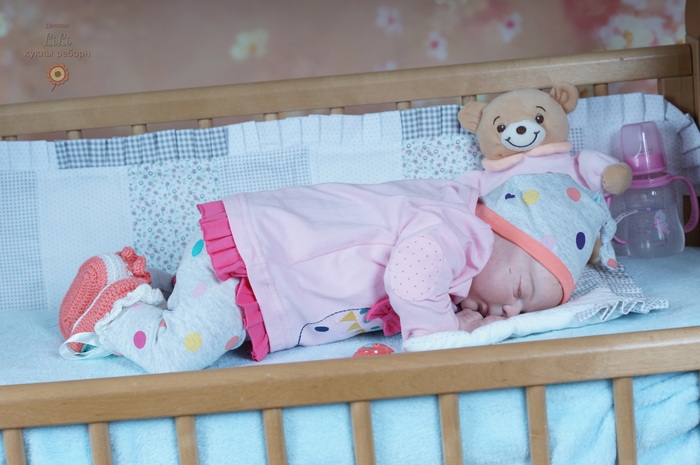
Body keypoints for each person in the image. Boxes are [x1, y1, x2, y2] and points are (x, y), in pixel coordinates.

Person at [59, 173, 618, 373]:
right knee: (176, 354)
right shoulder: (460, 231)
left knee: (201, 314)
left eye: (526, 309)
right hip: (252, 270)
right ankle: (113, 309)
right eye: (521, 289)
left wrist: (460, 312)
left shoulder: (465, 254)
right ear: (503, 230)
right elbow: (412, 277)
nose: (512, 311)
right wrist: (443, 334)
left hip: (250, 271)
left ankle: (156, 285)